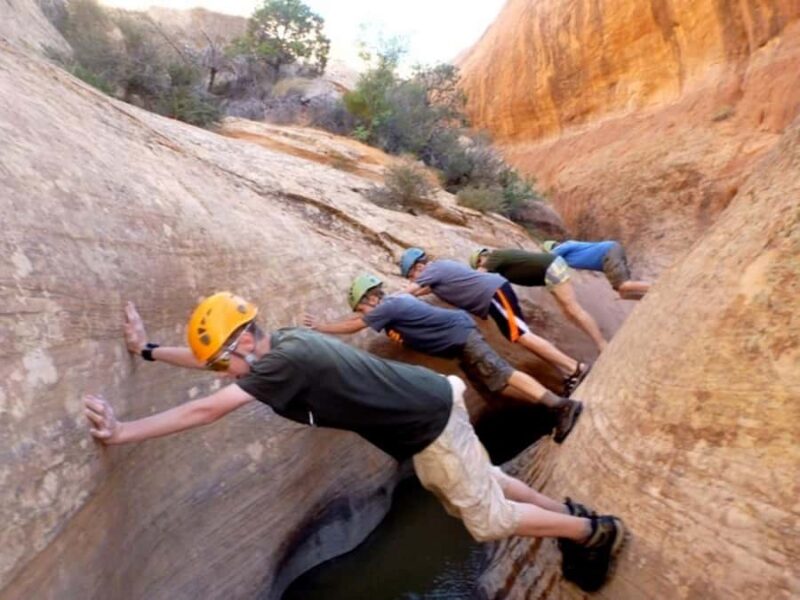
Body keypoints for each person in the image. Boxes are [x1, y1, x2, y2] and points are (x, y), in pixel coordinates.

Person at [83, 294, 625, 591]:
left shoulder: (281, 363)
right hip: (428, 412)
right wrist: (148, 350)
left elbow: (206, 409)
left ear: (246, 340)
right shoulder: (280, 344)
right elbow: (211, 365)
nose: (224, 369)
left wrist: (123, 431)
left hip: (429, 423)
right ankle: (567, 514)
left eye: (226, 357)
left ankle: (593, 532)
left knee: (487, 520)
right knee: (487, 481)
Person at [303, 274, 583, 443]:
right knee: (496, 385)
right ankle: (547, 406)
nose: (363, 313)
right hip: (459, 342)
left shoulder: (388, 306)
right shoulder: (393, 305)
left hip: (462, 336)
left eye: (361, 307)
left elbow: (355, 326)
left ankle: (560, 405)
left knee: (502, 372)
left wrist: (321, 327)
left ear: (370, 299)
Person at [400, 248, 591, 396]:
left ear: (419, 268)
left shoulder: (433, 269)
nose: (413, 280)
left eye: (411, 276)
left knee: (523, 336)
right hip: (493, 296)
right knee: (521, 336)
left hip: (493, 294)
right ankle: (570, 371)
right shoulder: (438, 273)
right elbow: (421, 290)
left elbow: (411, 291)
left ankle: (575, 368)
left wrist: (393, 299)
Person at [469, 248, 607, 352]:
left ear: (483, 256)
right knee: (569, 312)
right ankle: (597, 339)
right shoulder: (500, 267)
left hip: (550, 268)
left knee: (573, 308)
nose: (481, 265)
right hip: (548, 272)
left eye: (479, 262)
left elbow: (478, 276)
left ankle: (601, 343)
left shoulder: (494, 256)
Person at [543, 240, 650, 300]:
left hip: (608, 252)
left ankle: (656, 288)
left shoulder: (564, 246)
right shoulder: (566, 260)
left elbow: (549, 257)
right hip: (608, 257)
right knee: (623, 293)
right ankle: (649, 298)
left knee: (624, 285)